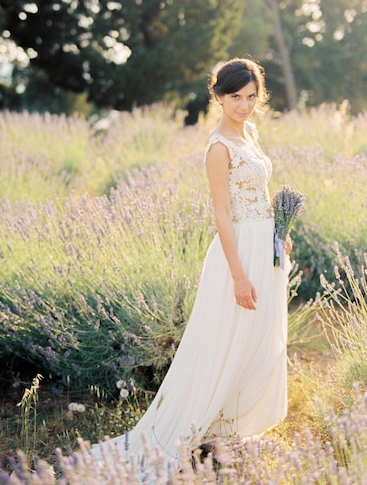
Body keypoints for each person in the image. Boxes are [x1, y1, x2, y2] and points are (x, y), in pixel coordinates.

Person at [91, 57, 292, 473]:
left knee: (257, 335)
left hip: (263, 244)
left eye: (251, 96)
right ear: (218, 96)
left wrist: (279, 229)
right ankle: (202, 424)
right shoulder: (218, 147)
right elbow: (222, 212)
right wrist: (238, 275)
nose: (244, 105)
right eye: (235, 96)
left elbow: (258, 191)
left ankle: (230, 424)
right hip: (237, 251)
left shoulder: (250, 133)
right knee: (225, 337)